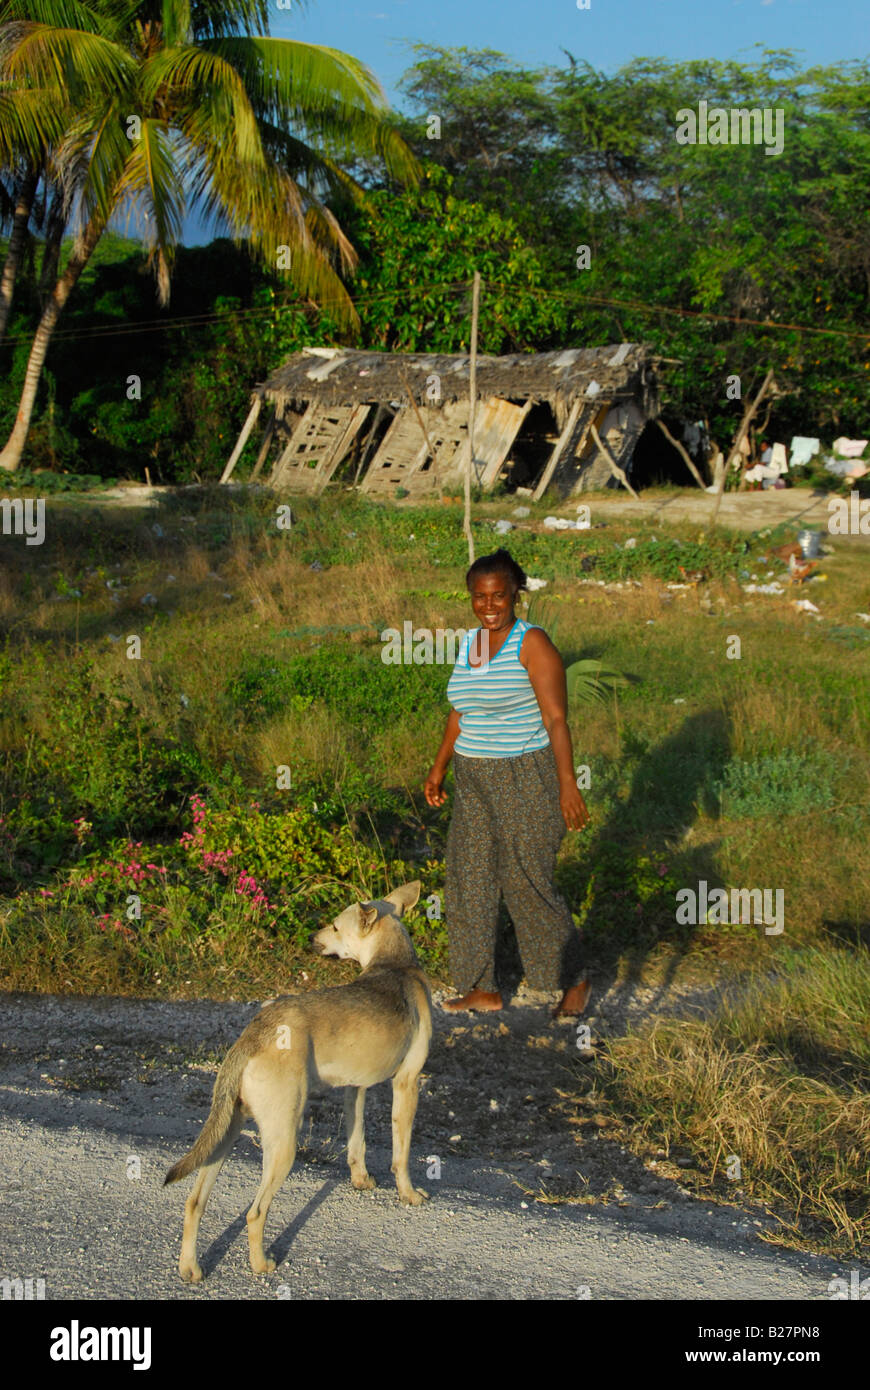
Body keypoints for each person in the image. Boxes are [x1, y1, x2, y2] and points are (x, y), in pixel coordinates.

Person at [424, 547, 592, 1018]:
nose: (489, 605)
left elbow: (557, 718)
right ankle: (481, 986)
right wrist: (439, 766)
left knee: (526, 880)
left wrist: (568, 784)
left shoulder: (531, 642)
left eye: (498, 595)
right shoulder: (474, 643)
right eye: (480, 597)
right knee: (468, 877)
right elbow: (460, 710)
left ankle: (572, 978)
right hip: (473, 775)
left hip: (524, 774)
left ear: (515, 593)